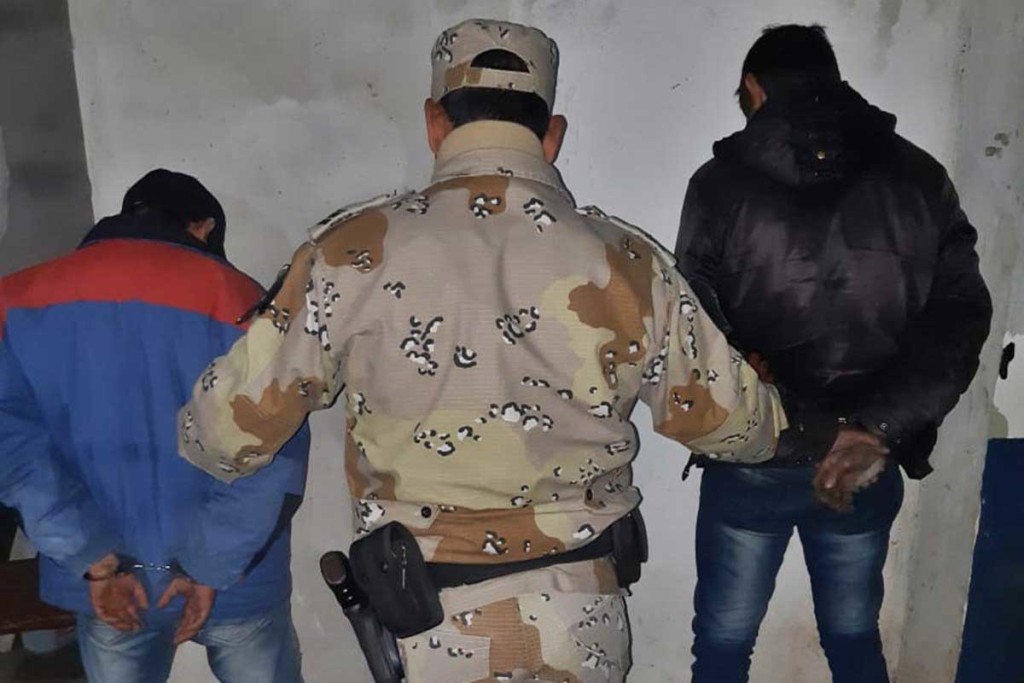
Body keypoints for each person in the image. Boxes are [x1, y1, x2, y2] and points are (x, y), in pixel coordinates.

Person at [175, 19, 837, 683]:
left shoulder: (351, 253)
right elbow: (735, 427)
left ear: (435, 123)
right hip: (581, 620)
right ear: (552, 136)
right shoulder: (627, 261)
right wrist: (807, 418)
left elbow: (224, 435)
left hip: (432, 627)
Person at [674, 24, 992, 683]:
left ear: (755, 87)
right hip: (864, 459)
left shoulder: (719, 184)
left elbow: (693, 325)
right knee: (853, 642)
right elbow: (959, 318)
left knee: (724, 647)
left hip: (756, 451)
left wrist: (789, 412)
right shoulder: (920, 178)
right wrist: (875, 425)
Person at [0, 169, 310, 683]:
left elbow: (13, 453)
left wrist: (92, 558)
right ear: (204, 227)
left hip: (107, 586)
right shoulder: (246, 301)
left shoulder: (16, 299)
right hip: (236, 580)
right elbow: (273, 454)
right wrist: (208, 564)